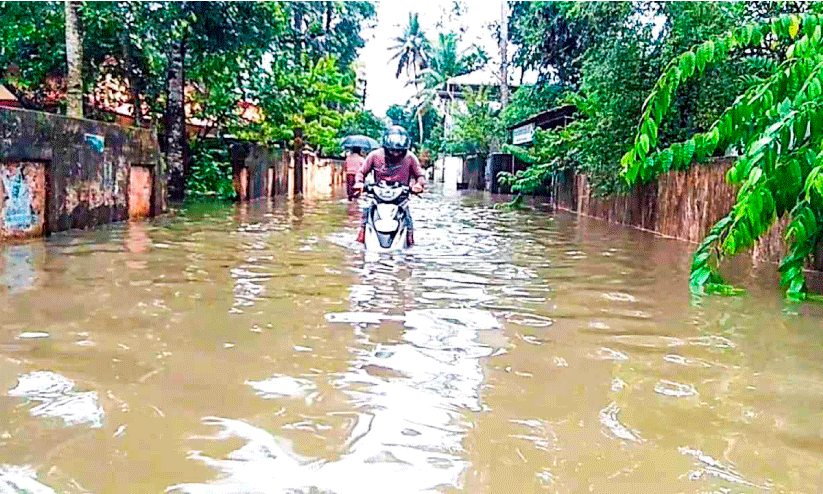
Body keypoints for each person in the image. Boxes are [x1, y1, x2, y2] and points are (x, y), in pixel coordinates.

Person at [354, 125, 425, 245]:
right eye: (392, 151)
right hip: (378, 199)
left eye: (399, 151)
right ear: (386, 147)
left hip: (400, 201)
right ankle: (360, 240)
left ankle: (410, 251)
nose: (396, 154)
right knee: (364, 221)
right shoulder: (374, 156)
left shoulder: (410, 158)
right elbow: (361, 171)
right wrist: (359, 183)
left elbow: (420, 176)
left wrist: (418, 185)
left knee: (409, 230)